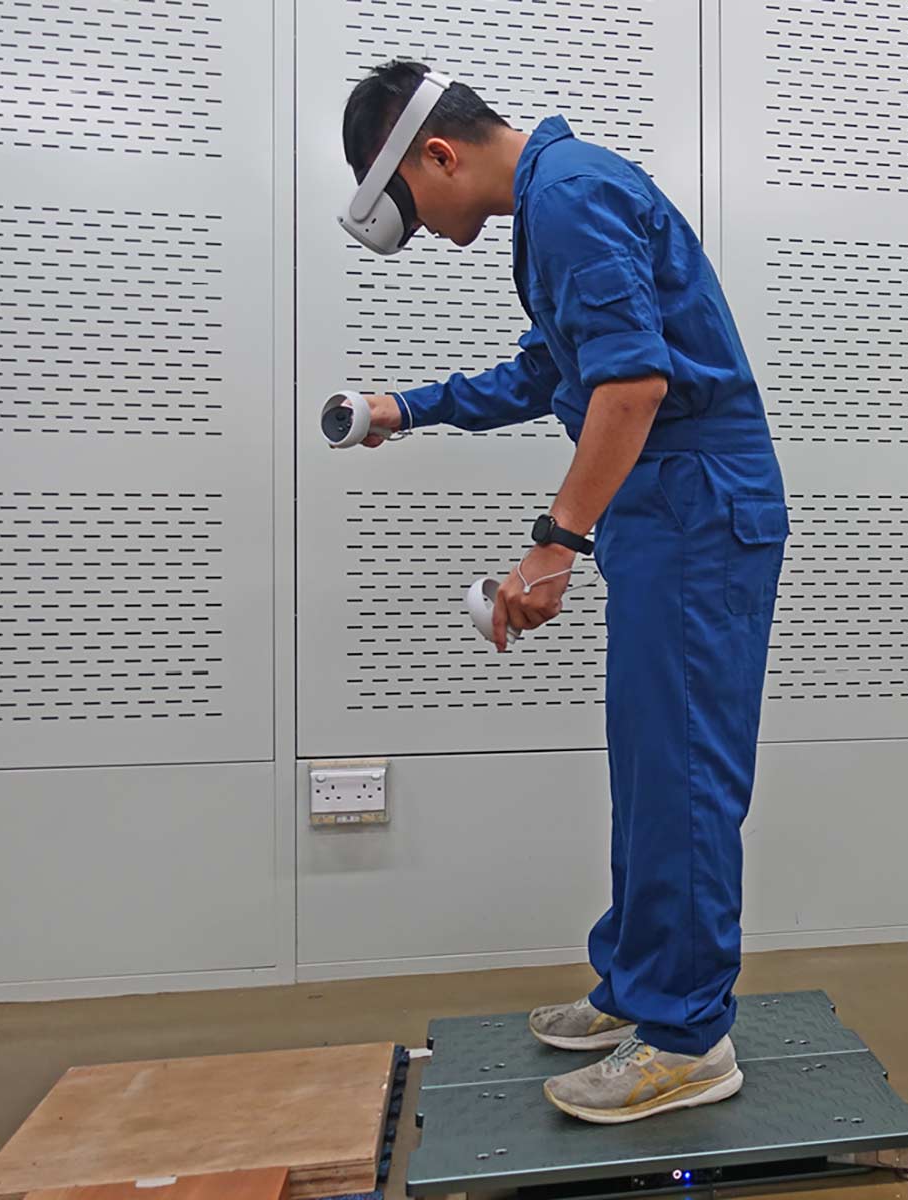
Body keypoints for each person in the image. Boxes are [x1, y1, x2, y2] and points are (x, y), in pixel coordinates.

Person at [340, 62, 787, 1125]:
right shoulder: (557, 202)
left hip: (693, 503)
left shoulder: (570, 194)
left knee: (679, 772)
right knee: (650, 764)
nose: (424, 226)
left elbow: (632, 388)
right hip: (664, 507)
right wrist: (405, 408)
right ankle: (640, 988)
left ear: (436, 154)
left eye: (408, 200)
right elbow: (553, 372)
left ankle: (687, 1038)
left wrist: (554, 547)